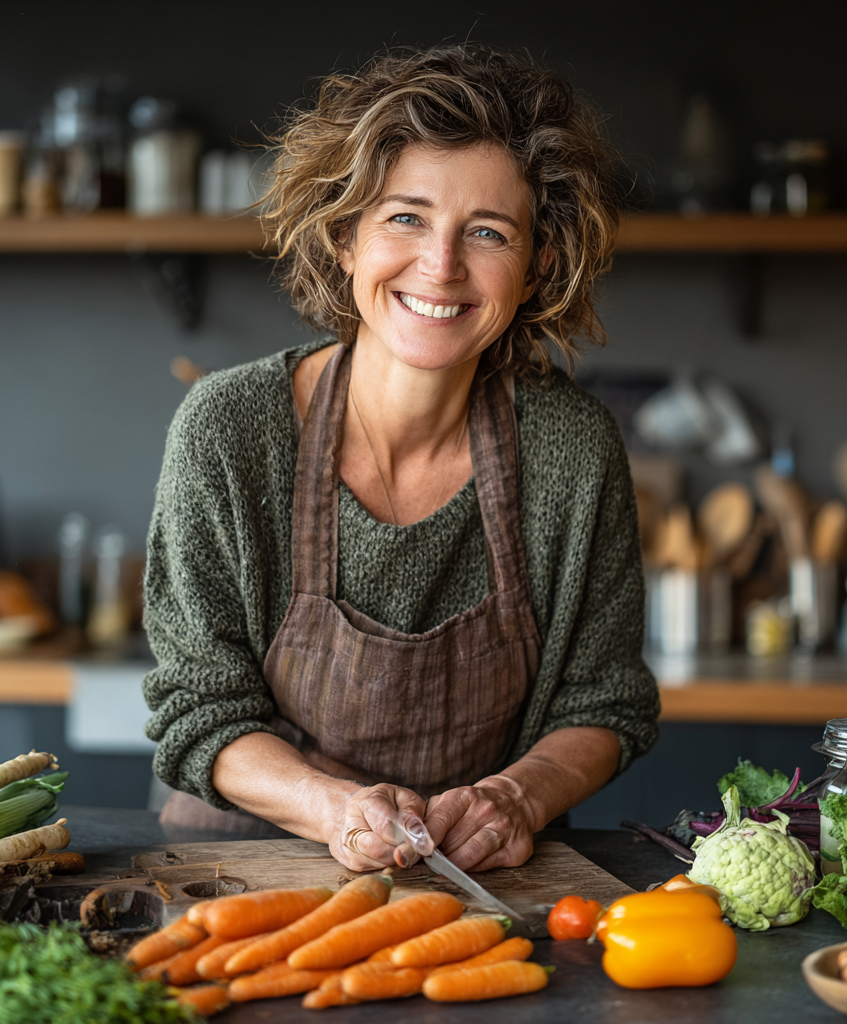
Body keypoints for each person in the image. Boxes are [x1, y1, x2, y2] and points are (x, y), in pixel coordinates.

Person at [143, 44, 659, 873]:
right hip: (238, 872)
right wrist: (333, 807)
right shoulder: (230, 429)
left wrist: (518, 797)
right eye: (406, 217)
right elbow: (199, 707)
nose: (441, 265)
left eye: (488, 232)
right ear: (346, 237)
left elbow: (604, 702)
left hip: (482, 882)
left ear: (537, 268)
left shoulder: (572, 450)